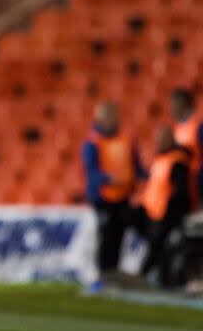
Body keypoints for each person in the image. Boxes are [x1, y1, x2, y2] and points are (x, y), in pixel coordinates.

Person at [82, 101, 146, 281]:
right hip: (103, 198)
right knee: (106, 236)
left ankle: (114, 272)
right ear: (100, 119)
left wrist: (148, 176)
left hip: (124, 196)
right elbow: (91, 171)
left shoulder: (126, 139)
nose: (113, 120)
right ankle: (103, 273)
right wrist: (109, 179)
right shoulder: (92, 142)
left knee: (119, 234)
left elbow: (136, 166)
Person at [132, 126, 191, 287]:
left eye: (162, 139)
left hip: (166, 213)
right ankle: (155, 276)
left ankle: (144, 275)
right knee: (157, 245)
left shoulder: (177, 160)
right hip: (153, 211)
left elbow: (179, 190)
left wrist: (171, 210)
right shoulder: (161, 158)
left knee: (158, 244)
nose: (158, 142)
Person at [169, 88, 203, 207]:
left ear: (183, 104)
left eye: (173, 104)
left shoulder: (198, 126)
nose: (170, 108)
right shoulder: (176, 128)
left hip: (197, 178)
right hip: (183, 181)